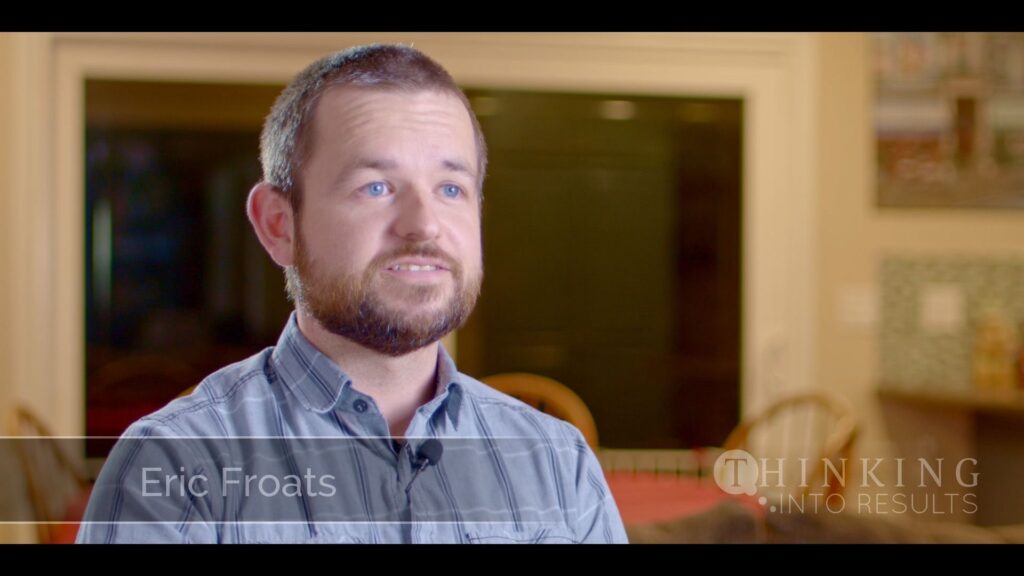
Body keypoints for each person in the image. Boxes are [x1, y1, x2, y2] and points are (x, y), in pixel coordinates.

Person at [77, 43, 628, 544]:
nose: (424, 225)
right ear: (278, 225)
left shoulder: (559, 463)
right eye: (376, 187)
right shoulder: (174, 468)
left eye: (451, 188)